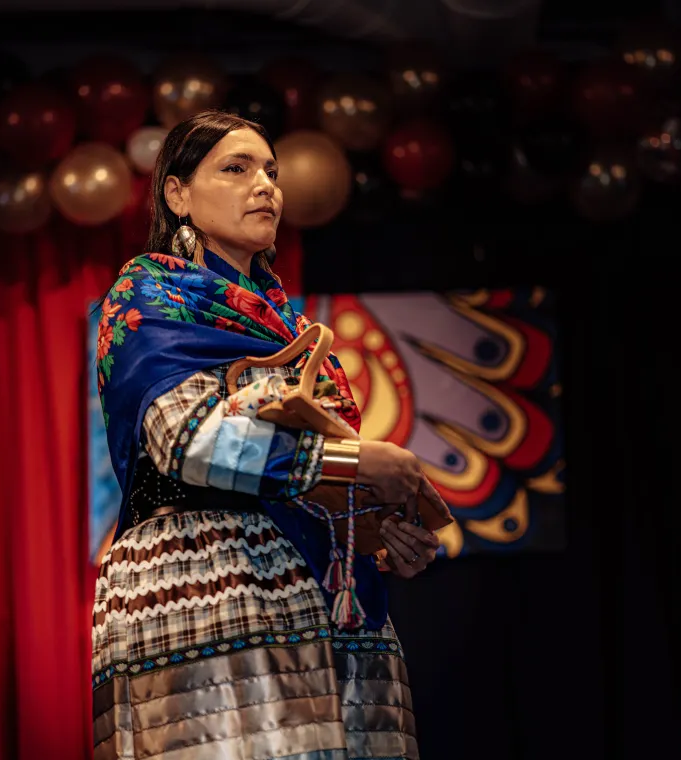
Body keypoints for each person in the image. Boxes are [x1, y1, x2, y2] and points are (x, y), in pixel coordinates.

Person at [92, 110, 451, 760]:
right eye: (236, 168)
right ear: (177, 193)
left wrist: (377, 533)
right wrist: (357, 461)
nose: (266, 186)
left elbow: (317, 482)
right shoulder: (151, 297)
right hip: (210, 585)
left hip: (326, 609)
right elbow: (187, 439)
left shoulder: (285, 330)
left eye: (271, 172)